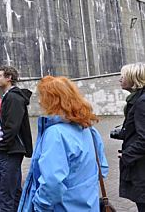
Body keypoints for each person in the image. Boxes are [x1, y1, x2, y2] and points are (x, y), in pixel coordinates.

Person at [18, 76, 108, 211]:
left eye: (42, 96)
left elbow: (52, 183)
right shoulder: (89, 129)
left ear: (52, 100)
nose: (40, 101)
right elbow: (102, 169)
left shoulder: (55, 134)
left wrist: (39, 206)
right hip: (89, 206)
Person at [0, 66, 33, 212]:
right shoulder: (9, 96)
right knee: (14, 190)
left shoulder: (13, 97)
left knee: (5, 194)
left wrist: (3, 146)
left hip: (10, 151)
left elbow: (12, 127)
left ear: (9, 78)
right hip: (9, 150)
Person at [117, 63, 145, 211]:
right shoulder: (136, 100)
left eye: (123, 76)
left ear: (134, 78)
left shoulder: (141, 102)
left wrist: (127, 155)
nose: (119, 79)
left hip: (141, 166)